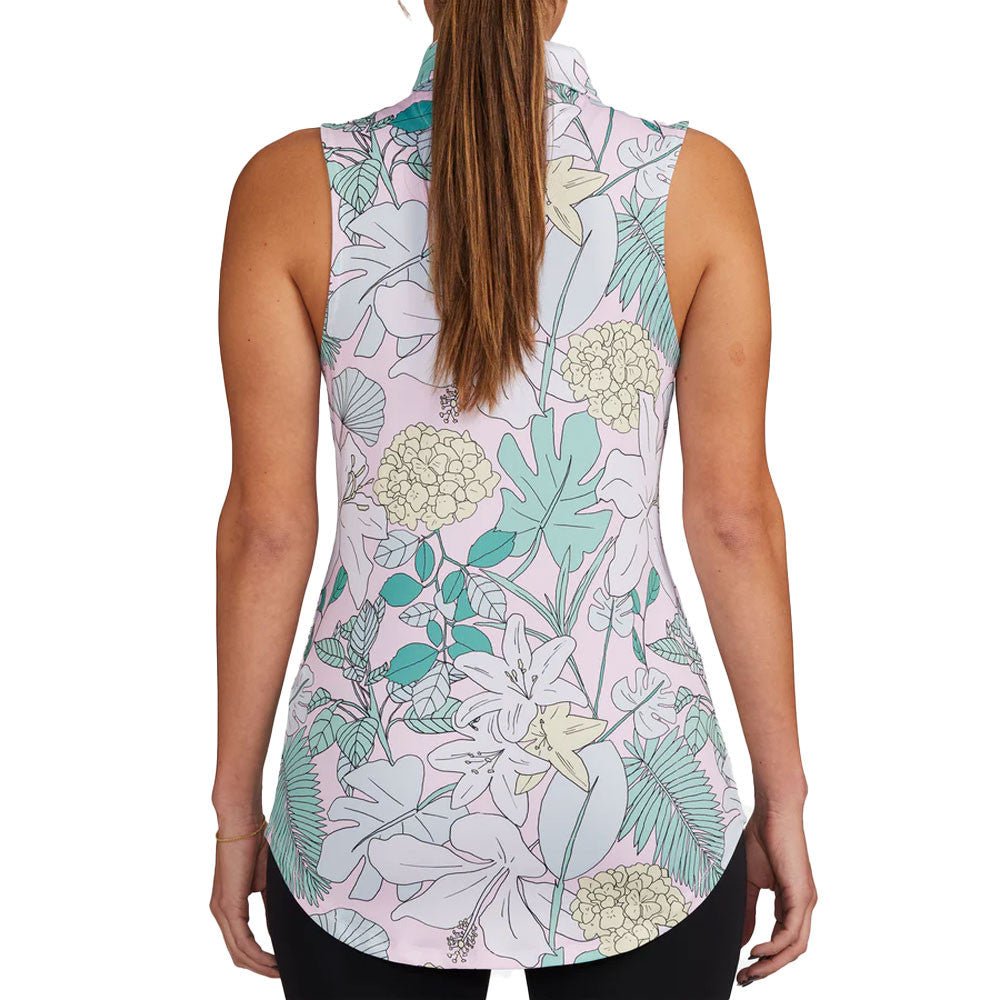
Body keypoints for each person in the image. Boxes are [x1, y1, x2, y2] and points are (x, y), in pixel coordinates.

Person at [211, 1, 816, 997]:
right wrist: (782, 796)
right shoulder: (690, 183)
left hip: (368, 807)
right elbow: (733, 521)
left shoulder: (292, 187)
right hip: (630, 793)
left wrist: (237, 813)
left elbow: (268, 531)